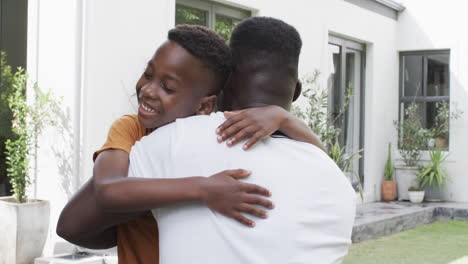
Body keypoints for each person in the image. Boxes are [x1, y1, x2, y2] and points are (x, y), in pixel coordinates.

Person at [57, 24, 324, 263]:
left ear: (206, 104)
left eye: (168, 88)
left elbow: (322, 164)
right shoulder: (131, 129)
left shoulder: (213, 141)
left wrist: (285, 120)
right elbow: (103, 196)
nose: (148, 90)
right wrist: (201, 190)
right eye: (148, 74)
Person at [128, 17, 356, 263]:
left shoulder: (171, 142)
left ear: (224, 83)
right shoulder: (338, 183)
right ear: (297, 92)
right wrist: (287, 120)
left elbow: (85, 222)